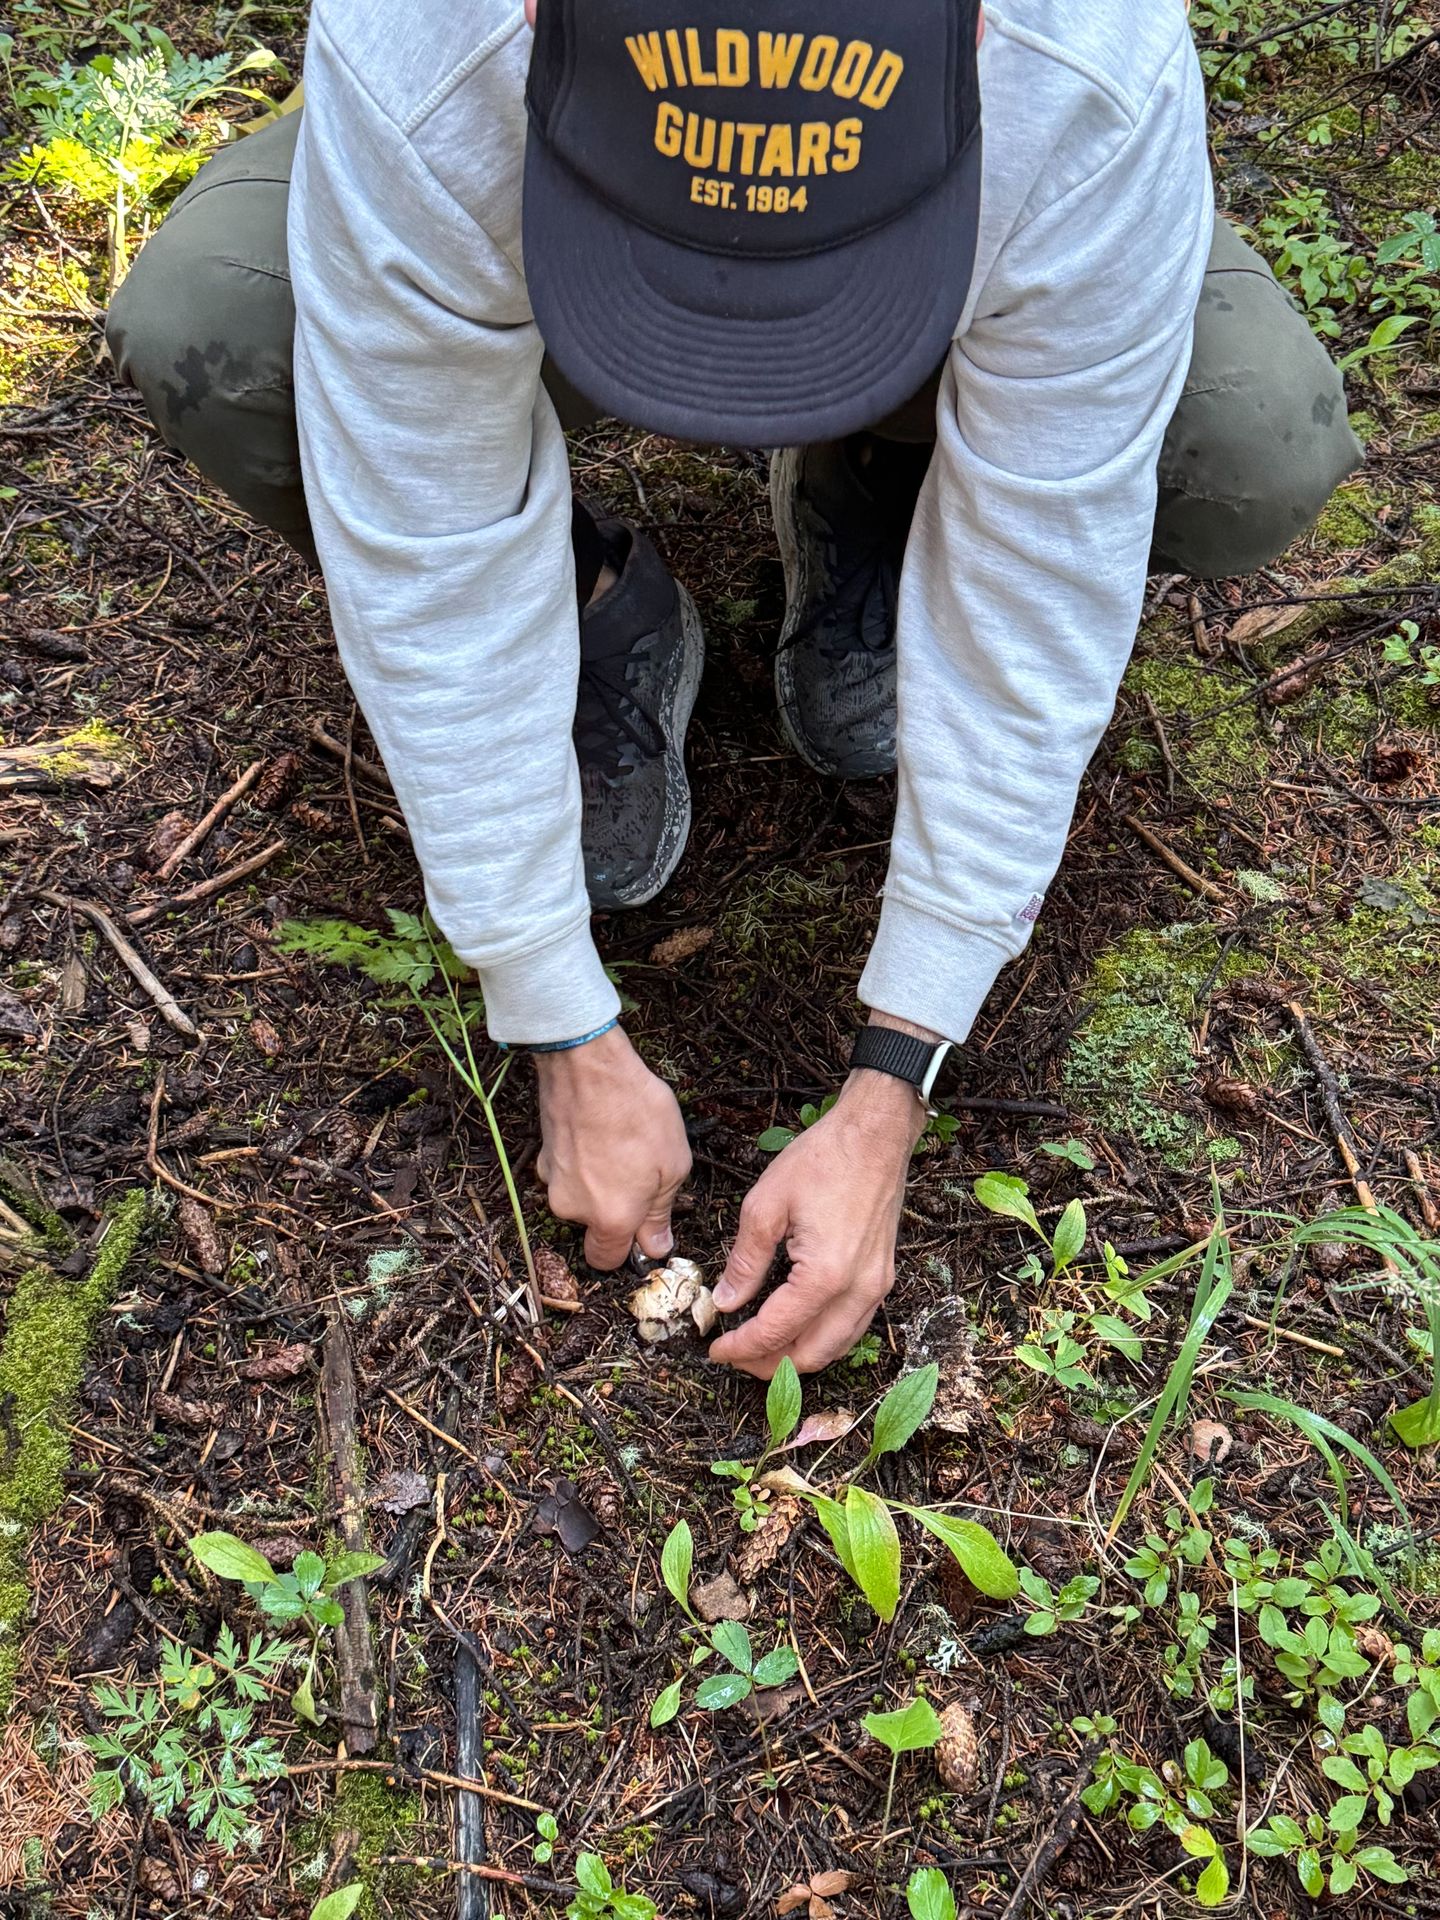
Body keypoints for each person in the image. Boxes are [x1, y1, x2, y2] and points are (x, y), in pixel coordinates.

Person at [107, 0, 1361, 1379]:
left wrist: (895, 1078)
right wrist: (554, 1010)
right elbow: (424, 544)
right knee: (226, 328)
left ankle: (885, 491)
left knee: (1243, 438)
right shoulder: (438, 33)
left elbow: (1047, 583)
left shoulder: (1080, 55)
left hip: (980, 206)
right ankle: (591, 605)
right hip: (522, 181)